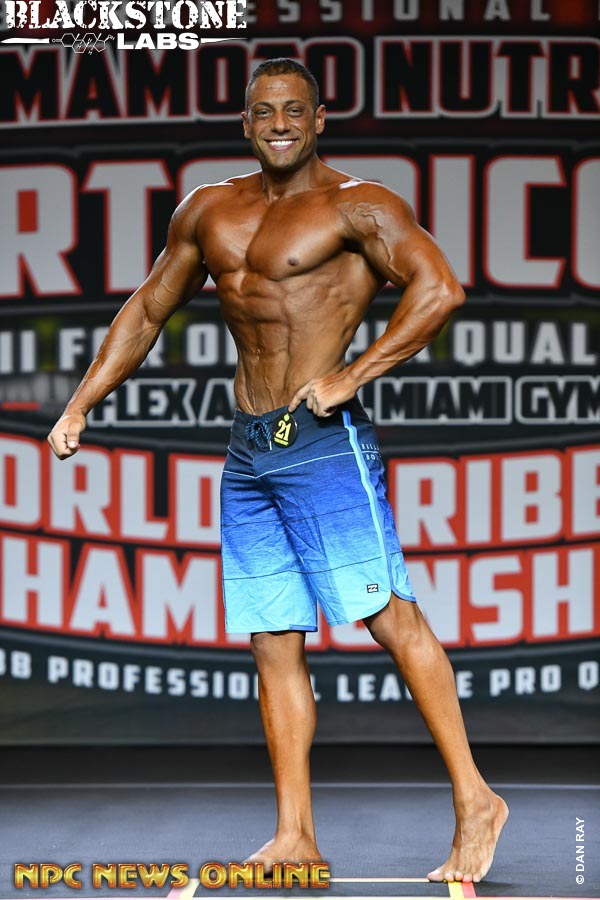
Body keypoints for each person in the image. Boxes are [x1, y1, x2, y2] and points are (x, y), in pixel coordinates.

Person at [48, 58, 508, 884]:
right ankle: (295, 833)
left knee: (388, 617)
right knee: (273, 637)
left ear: (320, 118)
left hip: (324, 443)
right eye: (265, 112)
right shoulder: (208, 210)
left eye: (295, 110)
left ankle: (477, 799)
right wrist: (82, 402)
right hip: (250, 448)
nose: (281, 124)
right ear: (247, 123)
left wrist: (352, 375)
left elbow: (440, 290)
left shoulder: (358, 206)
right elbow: (148, 308)